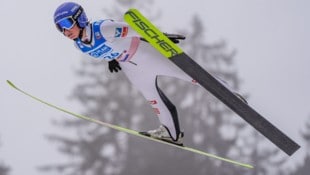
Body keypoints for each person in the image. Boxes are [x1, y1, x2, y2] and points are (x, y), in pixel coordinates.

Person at [53, 2, 246, 146]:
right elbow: (108, 47)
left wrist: (161, 38)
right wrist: (111, 59)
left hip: (146, 55)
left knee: (191, 76)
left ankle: (229, 93)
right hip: (131, 66)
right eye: (59, 27)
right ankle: (171, 133)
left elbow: (135, 29)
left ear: (80, 18)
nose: (64, 31)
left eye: (66, 23)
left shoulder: (102, 28)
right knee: (153, 98)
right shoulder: (79, 45)